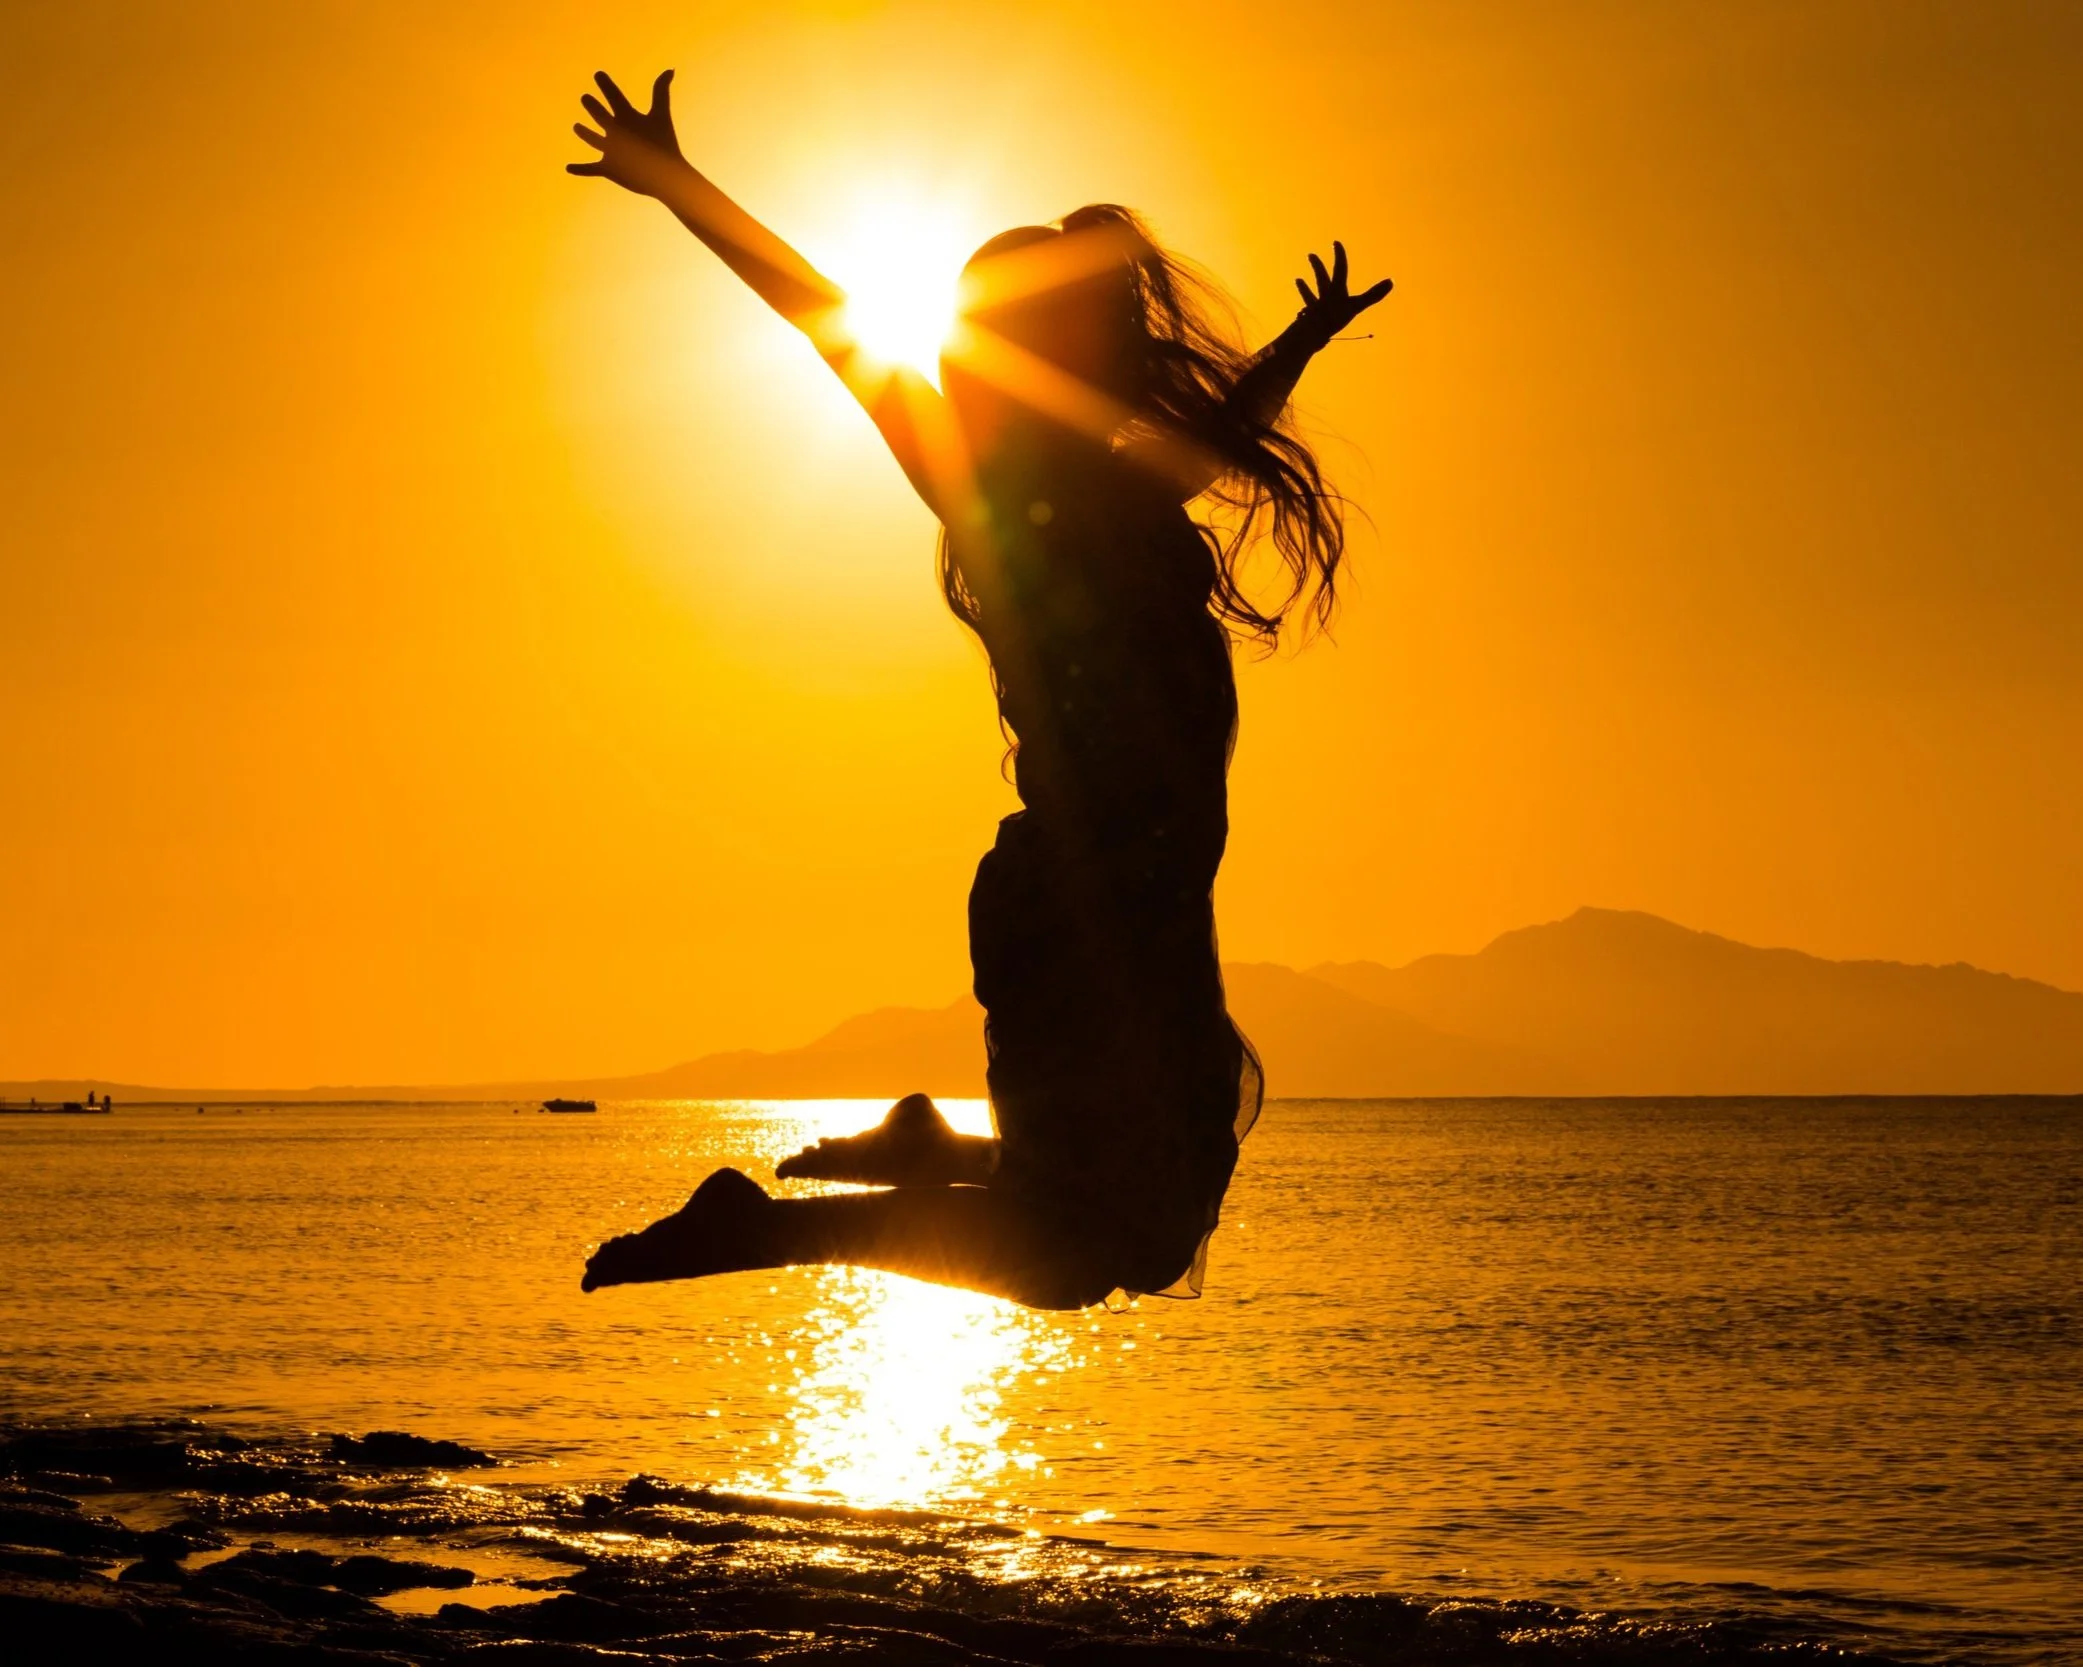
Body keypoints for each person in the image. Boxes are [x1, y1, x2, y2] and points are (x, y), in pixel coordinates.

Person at [570, 69, 1389, 1311]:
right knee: (1085, 1241)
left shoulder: (1120, 490)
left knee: (1138, 1222)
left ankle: (912, 1155)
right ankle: (766, 1223)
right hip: (1079, 901)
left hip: (1150, 899)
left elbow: (1222, 428)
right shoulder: (986, 494)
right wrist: (677, 183)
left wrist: (1299, 341)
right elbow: (820, 313)